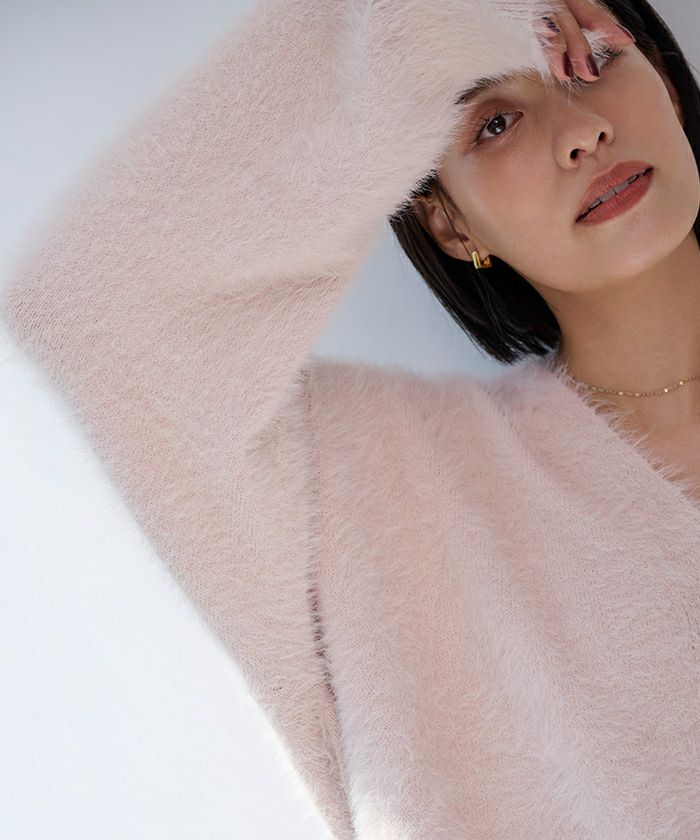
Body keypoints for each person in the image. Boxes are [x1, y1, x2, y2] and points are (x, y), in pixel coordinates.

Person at [2, 0, 699, 838]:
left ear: (667, 82)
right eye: (495, 122)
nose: (582, 131)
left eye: (595, 61)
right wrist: (411, 25)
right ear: (449, 224)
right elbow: (86, 326)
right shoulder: (387, 486)